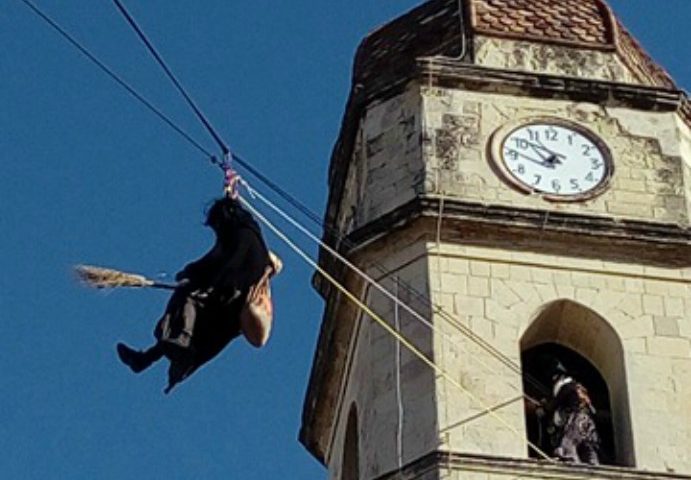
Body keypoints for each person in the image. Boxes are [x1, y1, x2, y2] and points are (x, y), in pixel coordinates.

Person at [116, 196, 272, 393]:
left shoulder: (244, 237)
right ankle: (147, 358)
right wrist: (191, 272)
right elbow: (212, 261)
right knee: (185, 302)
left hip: (233, 301)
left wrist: (202, 282)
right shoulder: (237, 236)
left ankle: (174, 344)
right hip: (228, 300)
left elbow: (228, 268)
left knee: (187, 298)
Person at [538, 361, 600, 465]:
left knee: (568, 447)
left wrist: (543, 405)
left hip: (576, 420)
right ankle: (594, 467)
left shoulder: (566, 387)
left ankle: (575, 467)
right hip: (587, 422)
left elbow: (554, 404)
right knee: (588, 447)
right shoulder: (577, 388)